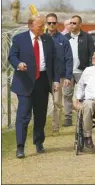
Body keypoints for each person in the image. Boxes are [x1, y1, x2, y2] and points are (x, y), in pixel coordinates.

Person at [8, 15, 60, 158]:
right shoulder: (19, 39)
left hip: (42, 81)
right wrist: (18, 63)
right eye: (40, 26)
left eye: (43, 25)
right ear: (31, 25)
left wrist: (55, 80)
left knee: (40, 114)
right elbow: (12, 56)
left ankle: (38, 142)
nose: (43, 28)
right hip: (25, 81)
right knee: (23, 115)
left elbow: (54, 61)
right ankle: (20, 147)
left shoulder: (47, 39)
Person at [64, 15, 95, 126]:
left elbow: (92, 54)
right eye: (71, 23)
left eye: (74, 23)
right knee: (67, 94)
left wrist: (91, 70)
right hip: (68, 72)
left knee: (84, 95)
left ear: (80, 25)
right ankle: (67, 118)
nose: (72, 25)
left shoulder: (87, 37)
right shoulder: (65, 38)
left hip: (83, 71)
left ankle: (84, 116)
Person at [46, 13, 73, 136]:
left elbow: (69, 58)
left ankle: (55, 128)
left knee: (57, 102)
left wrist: (68, 76)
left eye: (54, 22)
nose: (51, 25)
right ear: (46, 24)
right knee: (40, 102)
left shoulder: (63, 40)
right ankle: (40, 128)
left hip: (60, 76)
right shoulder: (42, 38)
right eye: (49, 22)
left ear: (57, 24)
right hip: (44, 76)